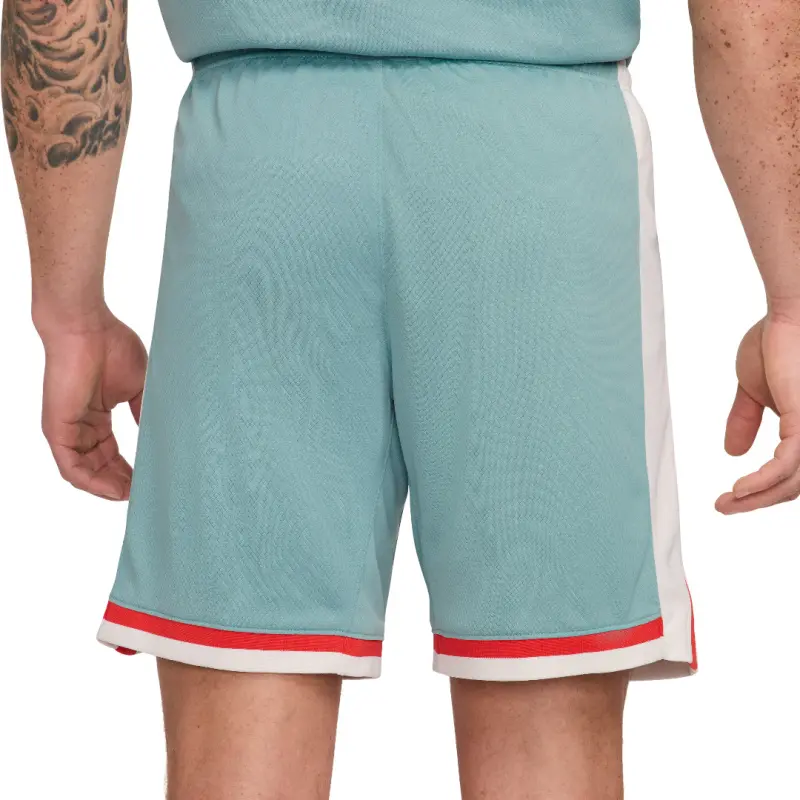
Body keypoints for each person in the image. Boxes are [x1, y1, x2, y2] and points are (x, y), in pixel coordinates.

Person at [2, 0, 798, 797]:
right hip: (532, 156)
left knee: (240, 708)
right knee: (544, 723)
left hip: (260, 168)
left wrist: (70, 313)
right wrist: (792, 301)